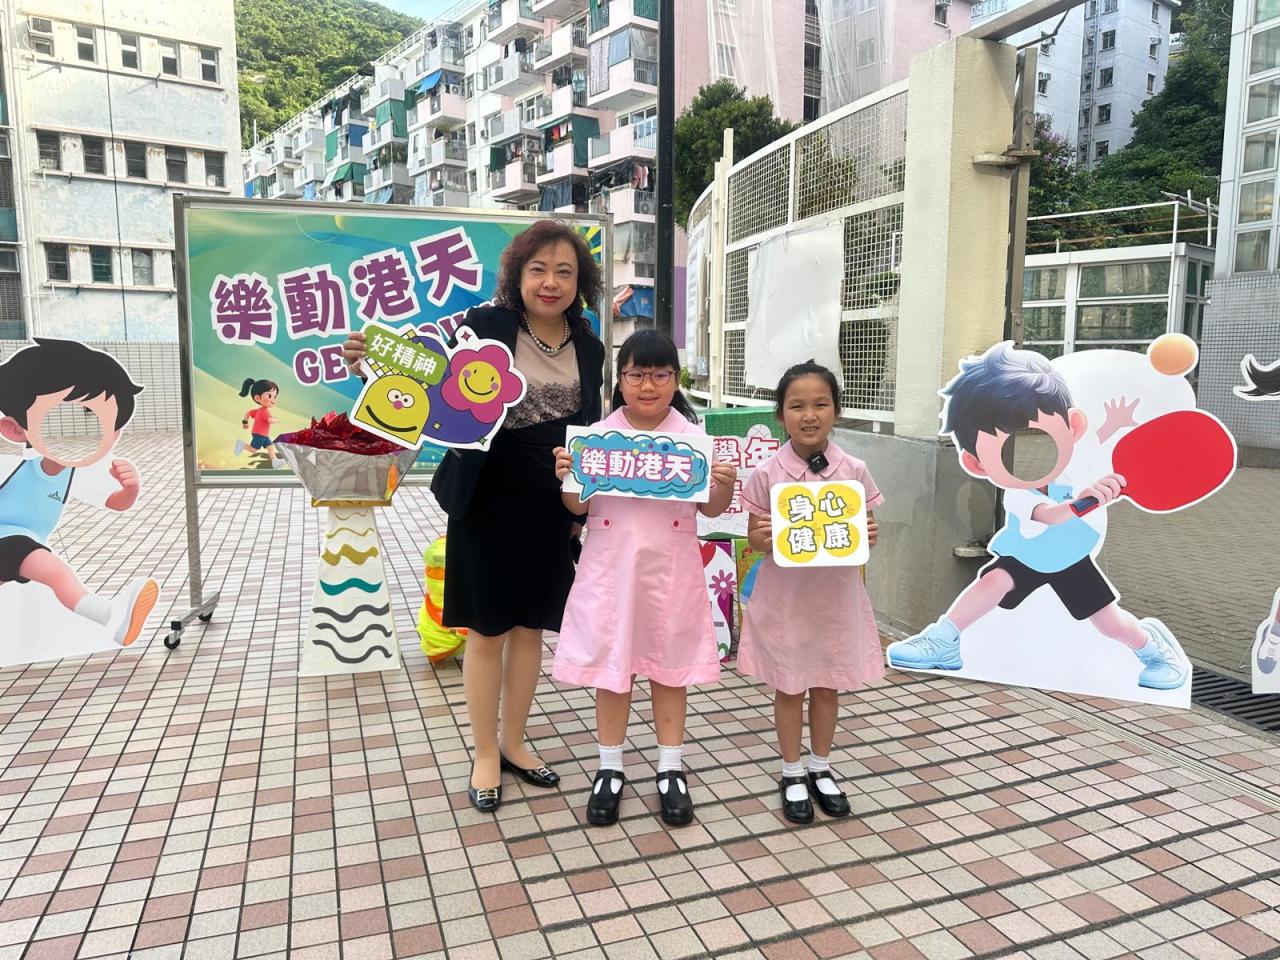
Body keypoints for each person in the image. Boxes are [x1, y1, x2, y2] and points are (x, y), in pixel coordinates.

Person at [343, 219, 605, 812]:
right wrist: (367, 363)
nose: (551, 282)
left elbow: (587, 428)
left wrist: (578, 509)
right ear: (517, 274)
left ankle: (515, 742)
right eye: (538, 269)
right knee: (486, 630)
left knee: (531, 629)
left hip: (551, 504)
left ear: (579, 281)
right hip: (485, 497)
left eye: (564, 271)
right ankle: (485, 751)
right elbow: (422, 374)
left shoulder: (589, 344)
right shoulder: (485, 325)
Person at [885, 342, 1187, 690]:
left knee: (1110, 624)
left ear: (1073, 428)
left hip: (1070, 559)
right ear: (977, 464)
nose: (1035, 452)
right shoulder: (1018, 493)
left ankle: (1155, 651)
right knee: (993, 582)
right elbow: (1051, 516)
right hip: (1026, 557)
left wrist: (1113, 432)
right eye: (1011, 446)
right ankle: (943, 639)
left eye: (1040, 438)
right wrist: (1086, 501)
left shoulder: (1072, 469)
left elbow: (1090, 450)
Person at [552, 330, 736, 827]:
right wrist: (567, 474)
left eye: (660, 374)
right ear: (620, 380)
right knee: (613, 668)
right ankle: (609, 767)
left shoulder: (692, 440)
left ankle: (670, 768)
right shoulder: (596, 437)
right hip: (611, 570)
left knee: (670, 668)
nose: (648, 386)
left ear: (676, 380)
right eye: (636, 374)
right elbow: (577, 507)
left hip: (671, 572)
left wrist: (724, 484)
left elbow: (712, 509)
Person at [737, 360, 883, 824]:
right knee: (788, 685)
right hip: (786, 599)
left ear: (836, 411)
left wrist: (869, 535)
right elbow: (753, 537)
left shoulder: (854, 470)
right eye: (797, 406)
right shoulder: (767, 473)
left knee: (826, 684)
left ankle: (821, 767)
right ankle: (792, 771)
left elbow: (866, 531)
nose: (809, 415)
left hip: (834, 599)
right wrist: (763, 537)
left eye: (820, 404)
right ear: (781, 415)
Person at [0, 338, 158, 646]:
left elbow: (115, 502)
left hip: (21, 545)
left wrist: (131, 487)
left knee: (42, 562)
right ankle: (111, 615)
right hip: (9, 540)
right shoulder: (11, 468)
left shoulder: (75, 472)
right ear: (15, 429)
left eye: (109, 424)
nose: (98, 434)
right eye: (81, 415)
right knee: (56, 573)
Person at [235, 377, 280, 462]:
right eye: (269, 396)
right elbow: (269, 420)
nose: (273, 399)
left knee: (270, 447)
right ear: (257, 398)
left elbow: (248, 413)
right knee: (253, 449)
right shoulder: (264, 411)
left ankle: (275, 461)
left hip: (263, 434)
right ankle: (242, 445)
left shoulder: (259, 410)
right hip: (260, 434)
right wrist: (275, 420)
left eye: (275, 396)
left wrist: (245, 422)